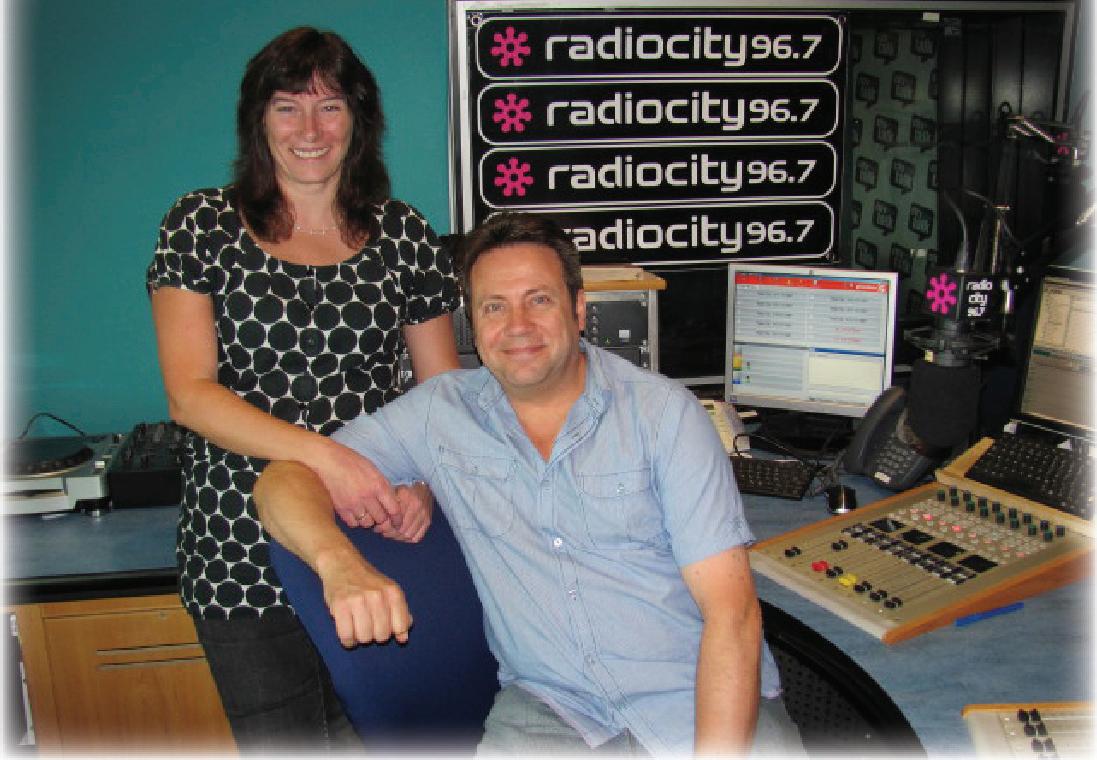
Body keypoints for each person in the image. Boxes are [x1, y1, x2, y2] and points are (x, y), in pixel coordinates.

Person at [254, 212, 803, 755]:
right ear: (474, 323)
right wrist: (339, 564)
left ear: (578, 310)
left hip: (697, 697)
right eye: (494, 306)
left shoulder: (664, 415)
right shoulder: (440, 415)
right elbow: (281, 480)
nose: (516, 325)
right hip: (554, 710)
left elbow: (732, 615)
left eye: (538, 299)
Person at [145, 26, 460, 751]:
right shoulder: (201, 226)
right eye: (287, 107)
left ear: (359, 119)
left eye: (330, 107)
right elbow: (190, 395)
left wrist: (426, 483)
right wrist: (329, 458)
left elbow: (444, 398)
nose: (310, 130)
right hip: (241, 550)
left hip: (376, 535)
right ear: (258, 121)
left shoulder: (405, 235)